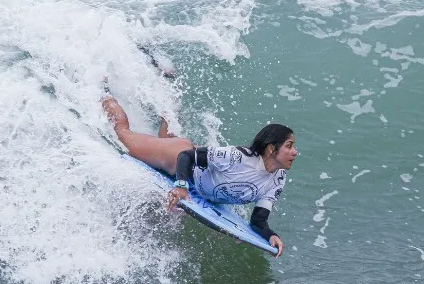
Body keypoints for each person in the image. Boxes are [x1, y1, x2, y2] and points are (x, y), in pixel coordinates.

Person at [101, 82, 296, 257]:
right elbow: (185, 156)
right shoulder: (238, 157)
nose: (295, 152)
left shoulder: (277, 179)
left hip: (194, 170)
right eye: (289, 145)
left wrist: (271, 235)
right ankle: (104, 91)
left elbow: (258, 221)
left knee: (169, 137)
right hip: (177, 159)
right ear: (271, 149)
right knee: (122, 135)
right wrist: (181, 186)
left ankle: (165, 98)